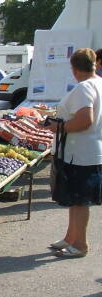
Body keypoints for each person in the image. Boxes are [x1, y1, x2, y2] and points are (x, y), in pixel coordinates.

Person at [46, 48, 102, 258]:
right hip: (90, 150)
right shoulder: (99, 83)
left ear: (74, 68)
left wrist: (57, 126)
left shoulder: (84, 88)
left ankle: (80, 244)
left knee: (80, 201)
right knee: (75, 200)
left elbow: (85, 120)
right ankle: (71, 237)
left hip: (80, 153)